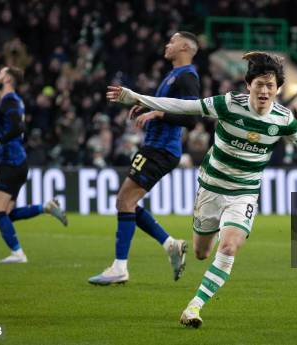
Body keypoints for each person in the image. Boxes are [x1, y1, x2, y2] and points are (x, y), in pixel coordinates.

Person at [106, 51, 297, 328]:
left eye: (270, 86)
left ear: (278, 90)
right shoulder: (228, 104)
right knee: (202, 252)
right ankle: (190, 250)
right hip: (211, 188)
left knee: (230, 246)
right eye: (259, 84)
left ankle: (194, 307)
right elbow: (184, 106)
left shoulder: (284, 119)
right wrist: (136, 97)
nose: (264, 90)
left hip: (244, 192)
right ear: (249, 85)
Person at [88, 32, 201, 285]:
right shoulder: (173, 75)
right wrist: (149, 108)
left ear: (184, 47)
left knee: (124, 201)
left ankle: (120, 268)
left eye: (171, 41)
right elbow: (170, 107)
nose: (167, 44)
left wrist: (158, 114)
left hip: (161, 149)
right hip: (155, 147)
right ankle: (171, 244)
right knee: (126, 202)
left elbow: (192, 118)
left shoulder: (187, 77)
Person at [0, 66, 67, 264]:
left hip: (11, 162)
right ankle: (45, 207)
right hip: (16, 160)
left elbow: (19, 127)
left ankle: (18, 253)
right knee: (6, 213)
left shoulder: (9, 100)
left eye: (0, 73)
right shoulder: (14, 101)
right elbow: (16, 134)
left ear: (8, 79)